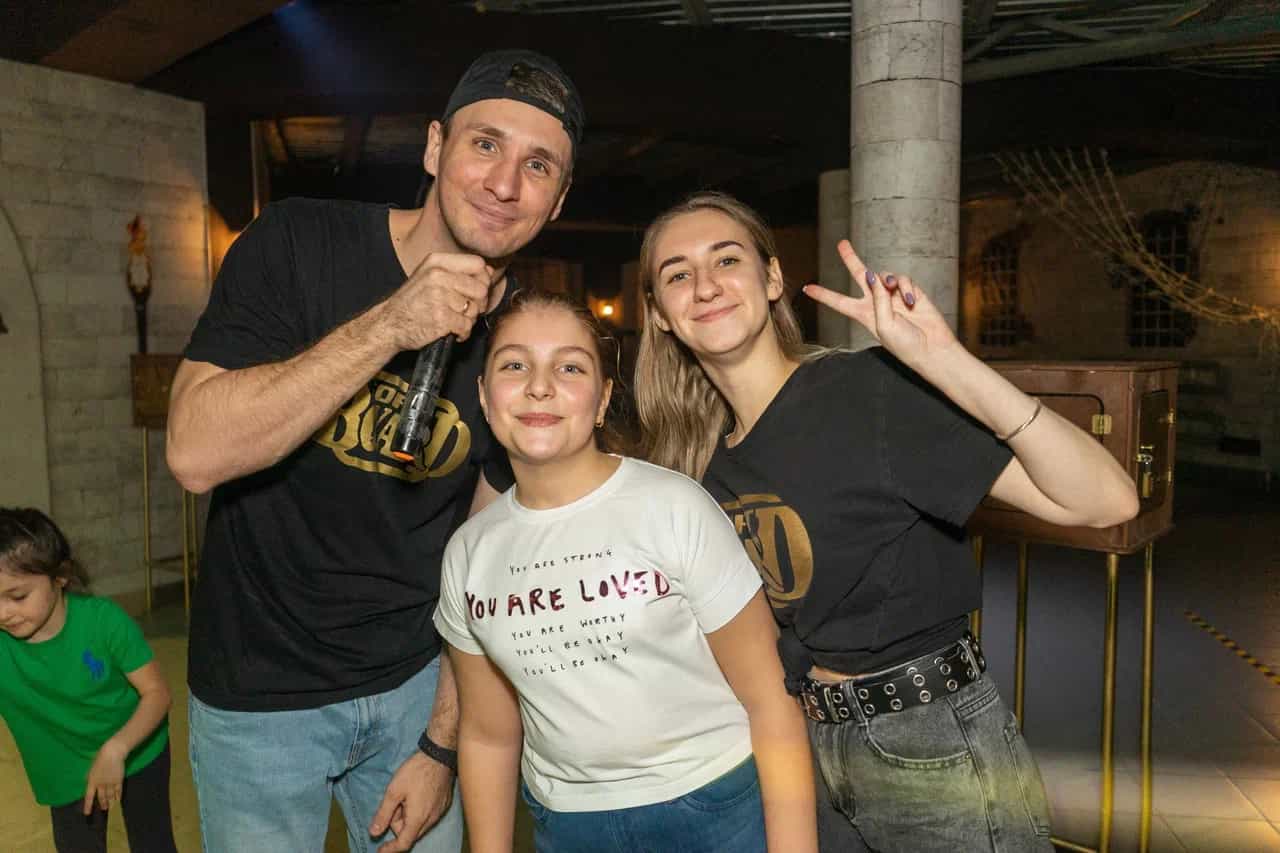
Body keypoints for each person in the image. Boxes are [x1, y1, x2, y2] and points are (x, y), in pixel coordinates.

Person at [165, 50, 584, 853]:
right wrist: (392, 323)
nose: (505, 183)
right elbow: (193, 451)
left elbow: (483, 561)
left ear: (558, 200)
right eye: (485, 144)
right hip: (256, 696)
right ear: (434, 147)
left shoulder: (521, 343)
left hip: (412, 692)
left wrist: (440, 743)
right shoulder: (298, 241)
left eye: (539, 166)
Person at [634, 192, 1140, 852]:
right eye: (677, 274)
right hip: (813, 748)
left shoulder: (864, 391)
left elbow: (1106, 500)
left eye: (727, 259)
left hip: (930, 744)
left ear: (773, 277)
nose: (705, 285)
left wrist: (944, 360)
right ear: (660, 314)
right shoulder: (704, 466)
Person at [433, 290, 818, 853]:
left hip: (715, 807)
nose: (539, 386)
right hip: (568, 826)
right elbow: (489, 735)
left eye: (570, 367)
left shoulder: (673, 507)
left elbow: (771, 701)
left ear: (603, 399)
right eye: (514, 365)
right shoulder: (469, 554)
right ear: (485, 398)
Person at [0, 507, 177, 853]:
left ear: (60, 576)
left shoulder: (104, 621)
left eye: (18, 596)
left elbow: (157, 694)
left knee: (153, 844)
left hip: (138, 749)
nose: (3, 612)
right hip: (67, 771)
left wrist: (117, 749)